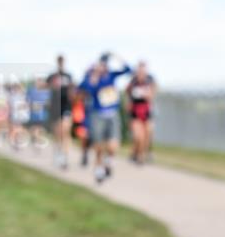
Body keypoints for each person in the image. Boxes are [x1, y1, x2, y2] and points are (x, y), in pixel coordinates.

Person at [79, 54, 132, 183]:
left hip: (112, 114)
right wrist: (93, 77)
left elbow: (128, 70)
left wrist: (118, 57)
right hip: (98, 115)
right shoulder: (92, 77)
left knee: (113, 145)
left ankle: (108, 161)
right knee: (98, 146)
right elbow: (84, 88)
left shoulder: (112, 76)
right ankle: (99, 170)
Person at [47, 55, 75, 169]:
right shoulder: (52, 77)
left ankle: (64, 156)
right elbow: (47, 89)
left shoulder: (68, 76)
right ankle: (58, 151)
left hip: (66, 107)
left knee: (65, 131)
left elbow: (72, 91)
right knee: (58, 133)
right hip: (55, 107)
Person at [126, 62, 157, 164]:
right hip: (135, 112)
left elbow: (152, 95)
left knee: (148, 133)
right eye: (139, 71)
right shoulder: (133, 82)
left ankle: (143, 154)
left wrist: (147, 94)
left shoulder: (150, 81)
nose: (141, 73)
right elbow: (128, 94)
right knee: (138, 136)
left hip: (146, 111)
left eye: (143, 71)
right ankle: (136, 154)